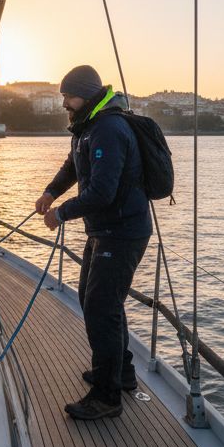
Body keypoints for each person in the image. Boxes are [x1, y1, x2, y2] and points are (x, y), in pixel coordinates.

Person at [35, 65, 151, 420]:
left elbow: (102, 191)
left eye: (67, 97)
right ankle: (122, 373)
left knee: (102, 308)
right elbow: (73, 166)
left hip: (122, 231)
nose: (64, 105)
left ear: (84, 95)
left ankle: (106, 396)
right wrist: (51, 192)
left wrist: (61, 213)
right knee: (95, 299)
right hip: (104, 230)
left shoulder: (109, 129)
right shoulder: (88, 128)